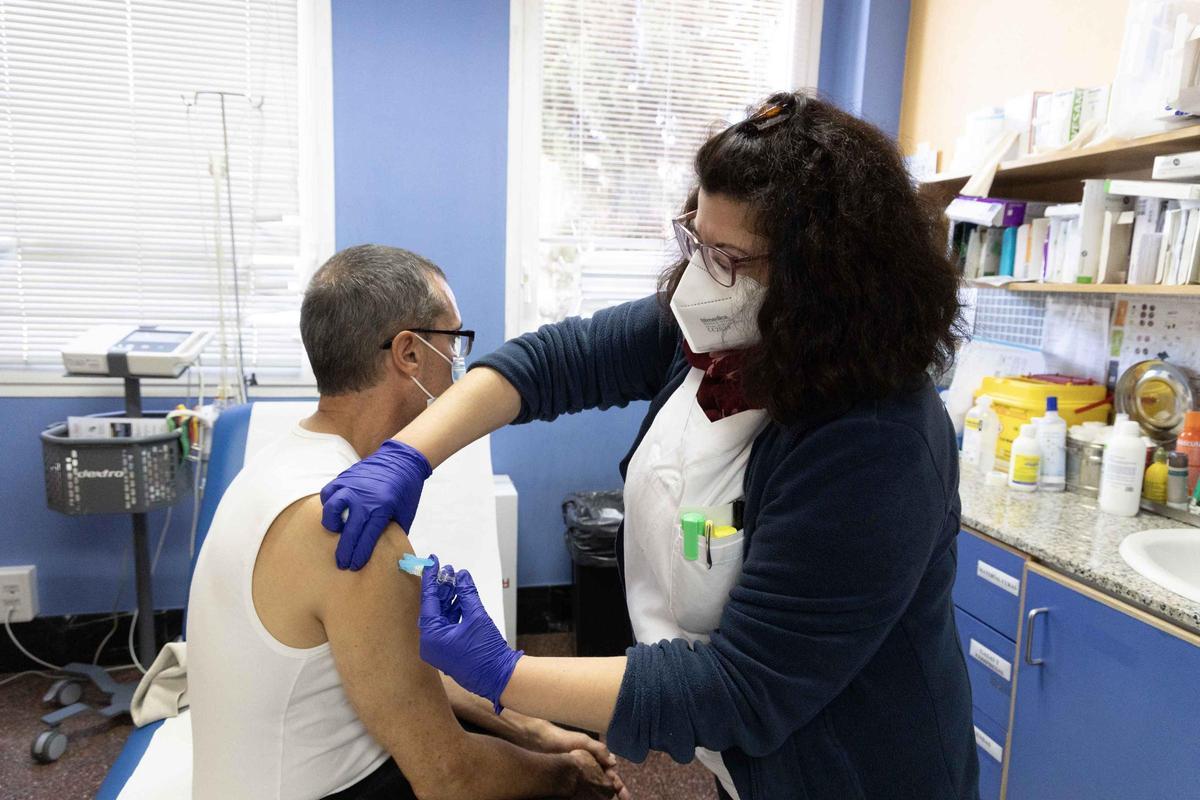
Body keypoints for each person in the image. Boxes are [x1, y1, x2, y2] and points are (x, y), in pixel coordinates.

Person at [320, 92, 978, 800]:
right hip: (747, 765)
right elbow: (552, 363)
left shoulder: (877, 444)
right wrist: (409, 454)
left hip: (850, 773)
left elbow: (740, 687)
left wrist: (504, 674)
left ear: (823, 276)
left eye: (729, 257)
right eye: (696, 240)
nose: (699, 278)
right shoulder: (719, 330)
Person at [188, 245, 626, 800]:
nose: (459, 365)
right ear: (410, 353)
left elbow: (391, 666)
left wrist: (533, 730)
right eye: (454, 341)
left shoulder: (273, 468)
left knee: (541, 727)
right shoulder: (352, 530)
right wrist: (569, 774)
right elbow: (450, 779)